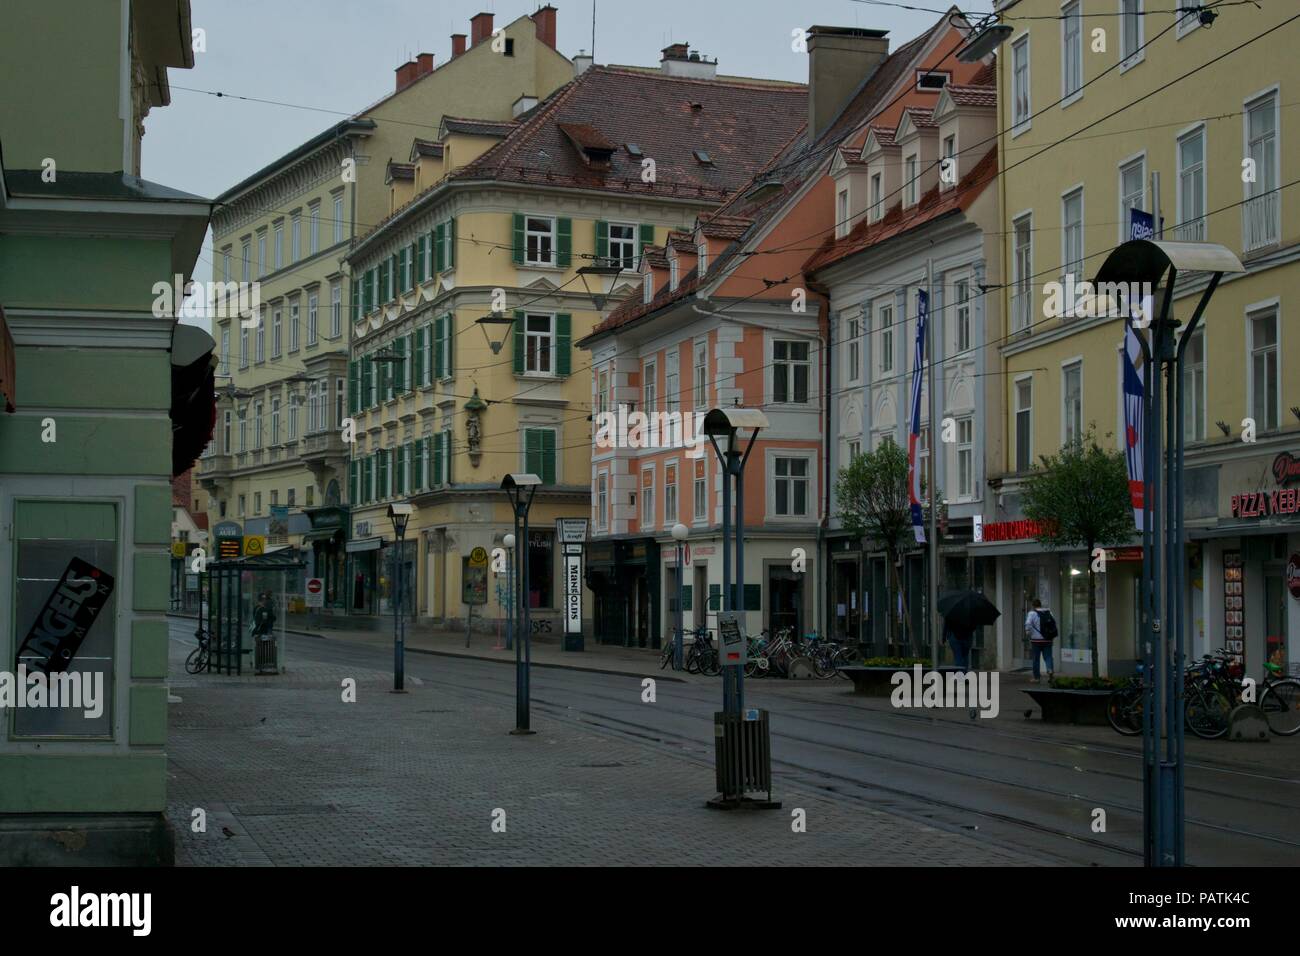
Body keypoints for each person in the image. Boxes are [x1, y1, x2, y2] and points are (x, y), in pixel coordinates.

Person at [1024, 597, 1055, 683]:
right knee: (1048, 657)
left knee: (1036, 659)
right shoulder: (1049, 612)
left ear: (1033, 605)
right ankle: (1050, 672)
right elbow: (1053, 624)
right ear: (1040, 605)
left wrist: (1028, 632)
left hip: (1036, 640)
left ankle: (1036, 678)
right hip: (1048, 639)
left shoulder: (1032, 613)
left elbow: (1028, 624)